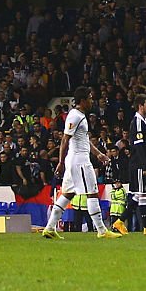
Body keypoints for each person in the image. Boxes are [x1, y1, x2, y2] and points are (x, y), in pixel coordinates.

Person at [42, 87, 121, 239]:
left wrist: (98, 154)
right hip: (80, 160)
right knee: (92, 193)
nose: (92, 101)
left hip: (75, 159)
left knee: (67, 194)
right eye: (90, 98)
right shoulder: (75, 116)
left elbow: (84, 139)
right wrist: (60, 162)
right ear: (83, 101)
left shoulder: (78, 116)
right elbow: (65, 139)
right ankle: (102, 230)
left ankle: (50, 227)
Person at [119, 94, 146, 235]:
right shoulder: (138, 122)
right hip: (138, 165)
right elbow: (138, 146)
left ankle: (120, 222)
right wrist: (145, 166)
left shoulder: (143, 121)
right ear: (140, 106)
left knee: (139, 195)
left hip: (141, 164)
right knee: (143, 194)